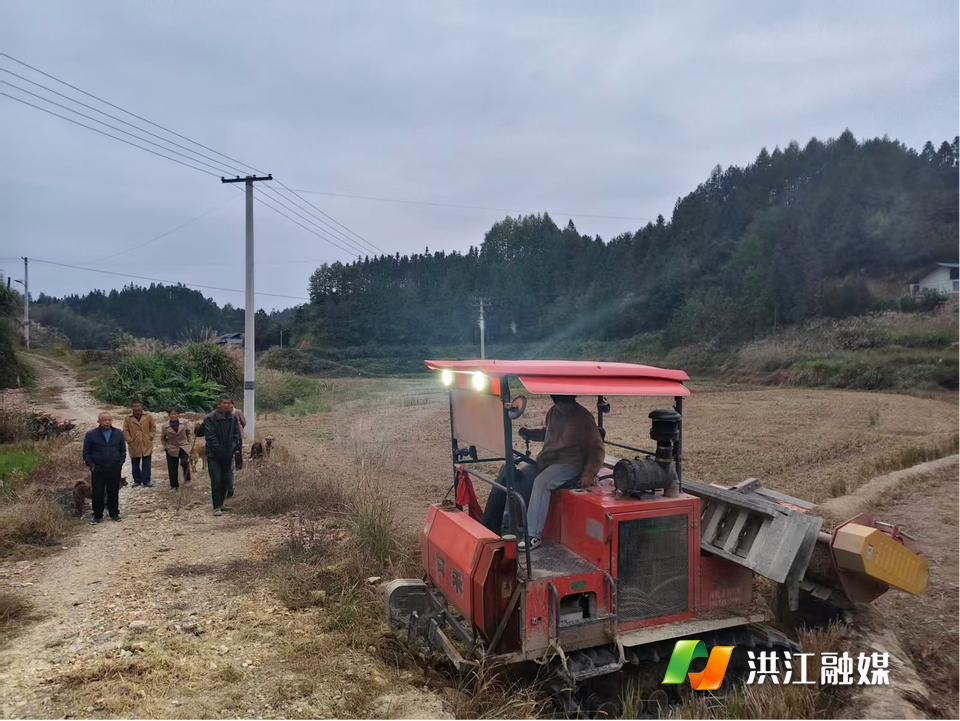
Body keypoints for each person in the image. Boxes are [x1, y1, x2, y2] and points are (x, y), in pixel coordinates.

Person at [481, 395, 604, 551]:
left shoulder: (584, 417)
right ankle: (511, 521)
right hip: (547, 460)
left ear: (570, 398)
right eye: (557, 401)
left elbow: (597, 447)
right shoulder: (553, 412)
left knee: (542, 482)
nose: (560, 406)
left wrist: (590, 472)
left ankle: (533, 535)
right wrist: (530, 434)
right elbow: (548, 433)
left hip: (570, 463)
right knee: (520, 477)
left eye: (562, 402)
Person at [82, 411, 127, 523]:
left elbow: (123, 450)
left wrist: (120, 463)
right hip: (98, 468)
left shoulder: (118, 433)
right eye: (104, 420)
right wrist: (91, 465)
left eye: (109, 420)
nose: (107, 422)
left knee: (113, 492)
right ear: (99, 421)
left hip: (114, 468)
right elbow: (86, 452)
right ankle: (97, 515)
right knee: (98, 492)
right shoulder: (91, 434)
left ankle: (114, 513)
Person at [202, 395, 243, 516]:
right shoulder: (210, 418)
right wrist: (219, 449)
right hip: (214, 454)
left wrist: (233, 447)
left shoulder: (233, 418)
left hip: (228, 454)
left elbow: (237, 434)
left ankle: (221, 503)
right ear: (219, 404)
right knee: (216, 479)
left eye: (228, 403)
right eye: (224, 403)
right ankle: (216, 506)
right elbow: (210, 436)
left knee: (225, 479)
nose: (227, 405)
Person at [123, 400, 155, 488]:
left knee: (147, 462)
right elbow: (125, 429)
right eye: (134, 406)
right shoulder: (128, 418)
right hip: (134, 443)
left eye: (138, 406)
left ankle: (146, 481)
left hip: (146, 442)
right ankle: (137, 481)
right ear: (132, 407)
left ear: (142, 407)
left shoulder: (148, 416)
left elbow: (153, 427)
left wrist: (150, 436)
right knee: (135, 463)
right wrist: (129, 439)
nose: (136, 408)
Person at [161, 407, 193, 490]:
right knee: (172, 467)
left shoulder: (185, 422)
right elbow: (163, 437)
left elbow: (189, 432)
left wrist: (189, 443)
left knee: (185, 462)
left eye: (175, 414)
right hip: (172, 447)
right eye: (172, 414)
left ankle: (187, 479)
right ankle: (174, 485)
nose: (173, 415)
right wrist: (165, 447)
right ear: (169, 415)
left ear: (178, 415)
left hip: (184, 446)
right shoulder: (165, 426)